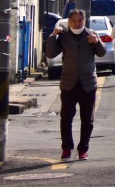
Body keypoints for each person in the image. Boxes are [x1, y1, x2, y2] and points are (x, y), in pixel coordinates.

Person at [45, 9, 106, 160]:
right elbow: (51, 54)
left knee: (87, 120)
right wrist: (53, 36)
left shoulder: (91, 34)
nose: (77, 23)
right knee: (66, 118)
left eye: (80, 21)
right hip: (69, 83)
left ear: (84, 21)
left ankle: (83, 150)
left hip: (88, 84)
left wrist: (96, 42)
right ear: (69, 22)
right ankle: (66, 148)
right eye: (74, 21)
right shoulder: (64, 36)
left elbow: (102, 53)